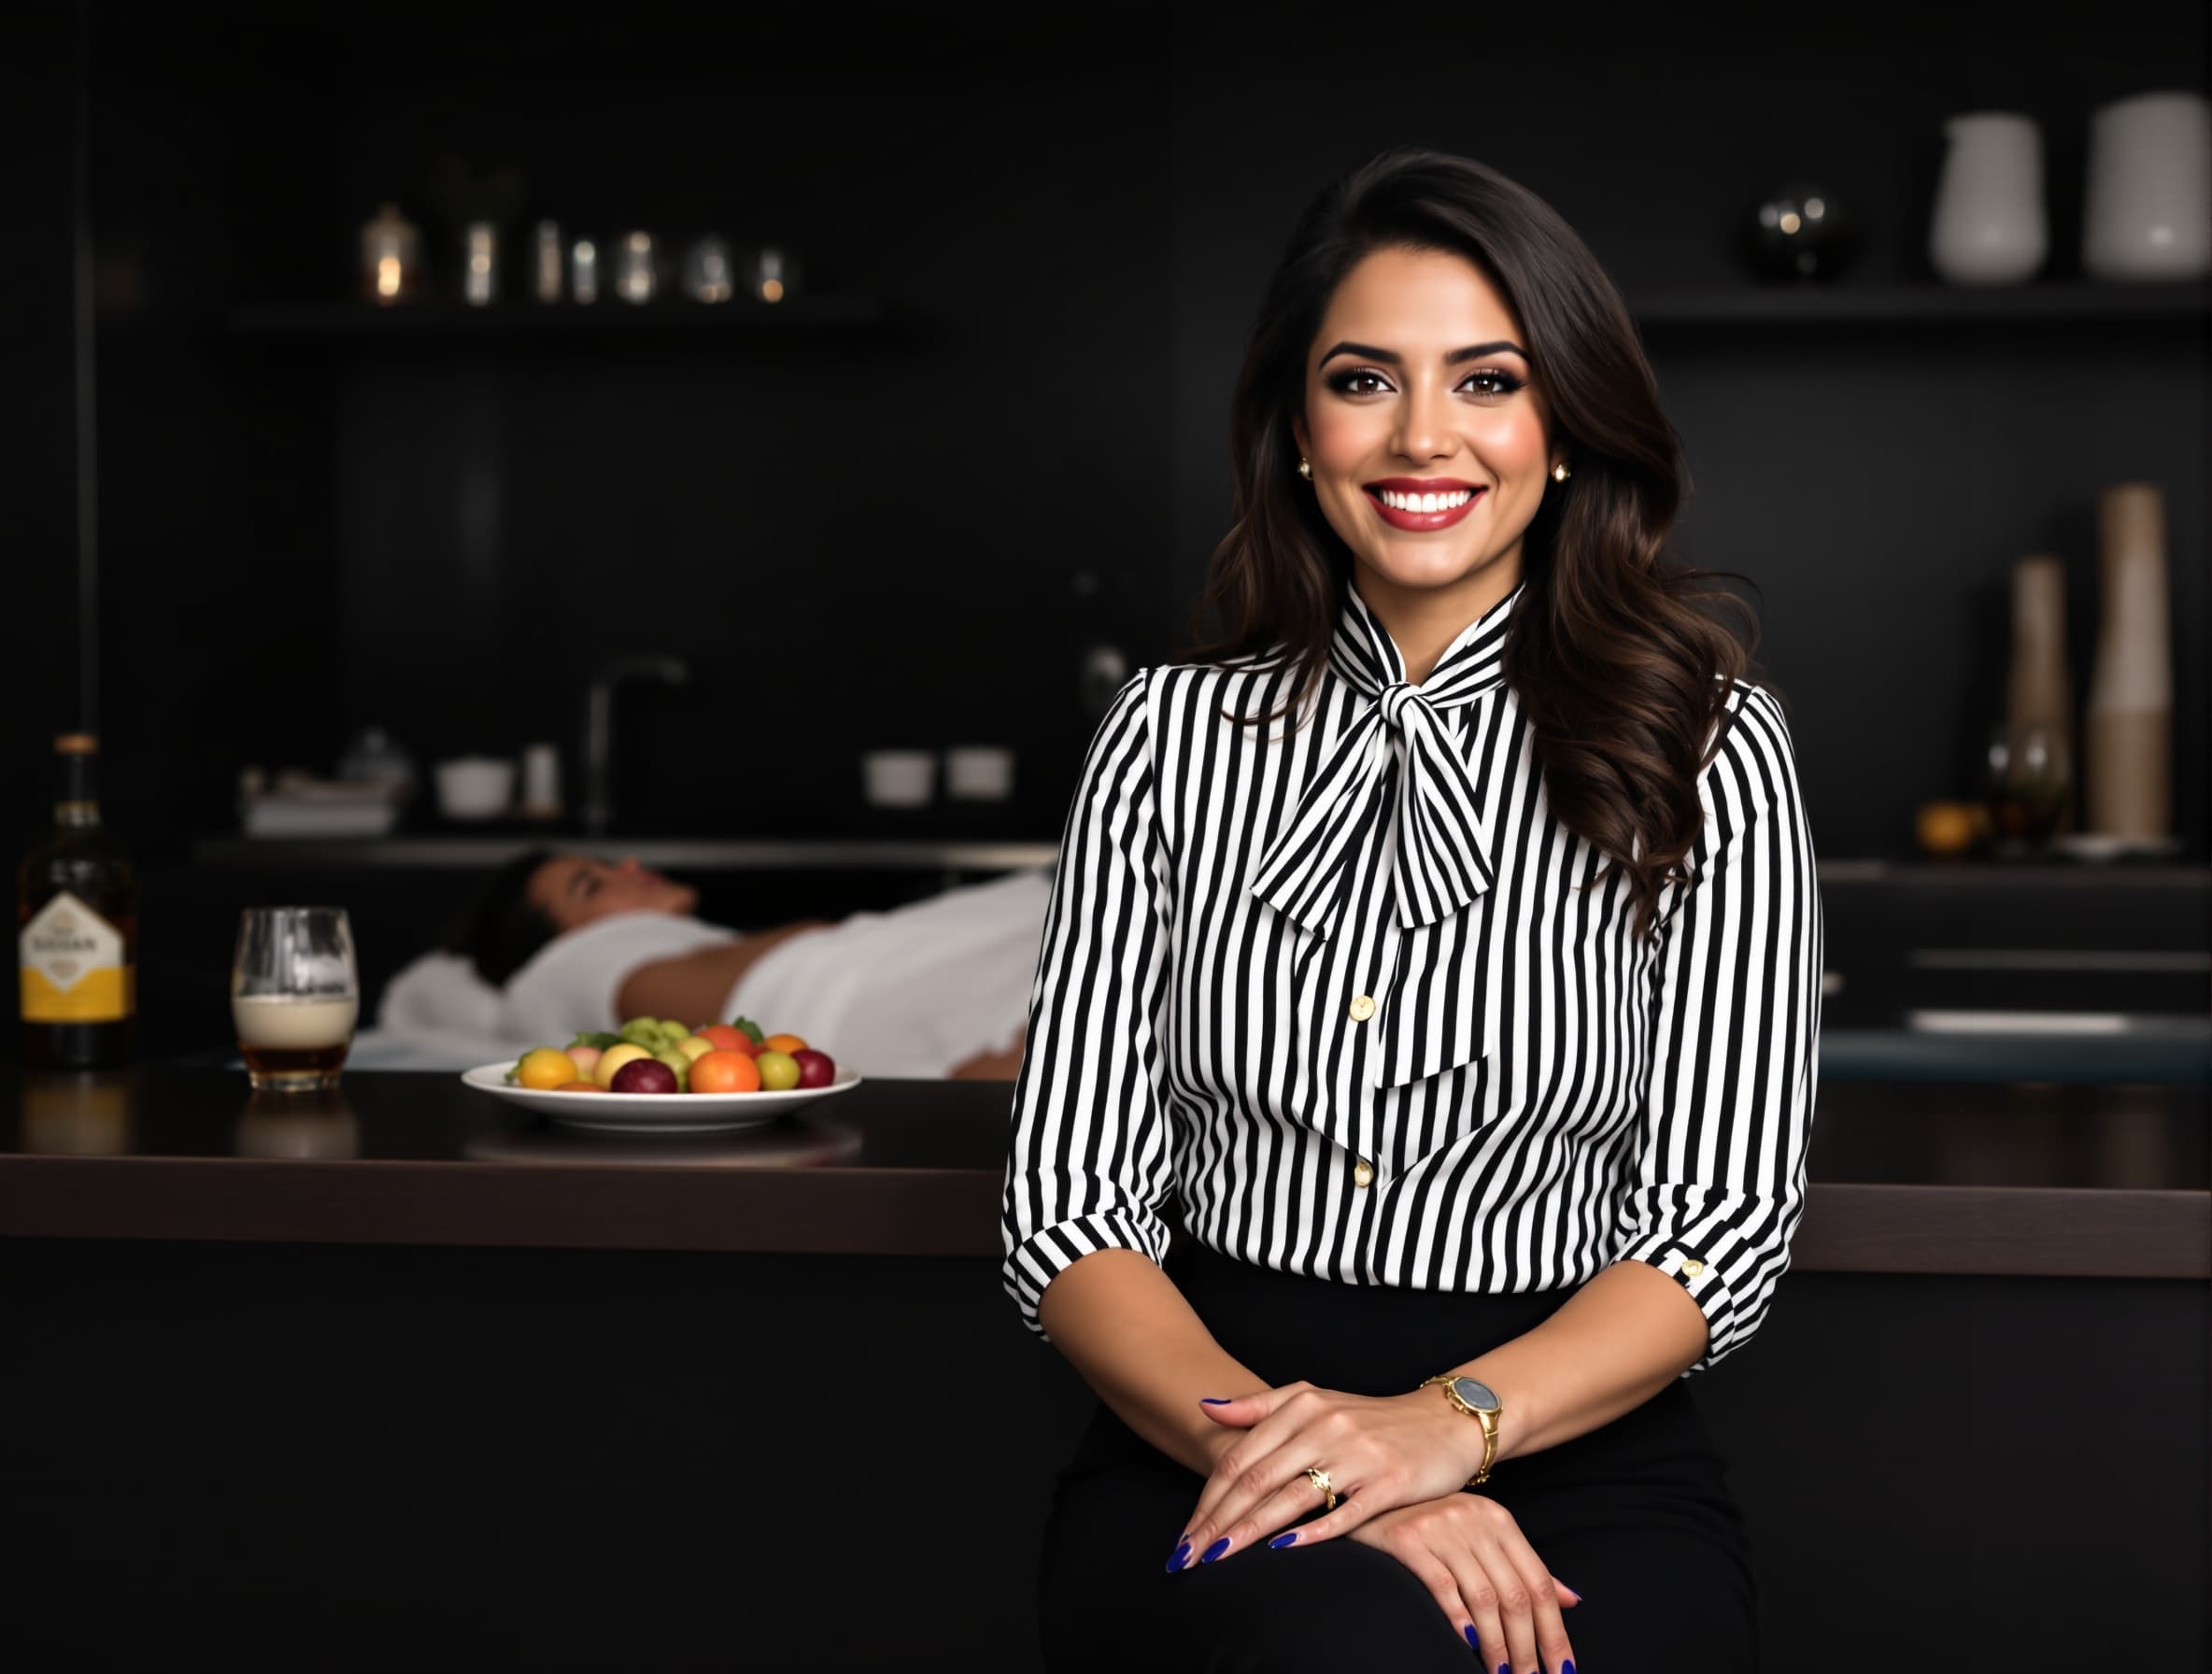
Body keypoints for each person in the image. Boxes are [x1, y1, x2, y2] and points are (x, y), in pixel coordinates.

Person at [1000, 146, 1822, 1674]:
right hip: (1208, 1427)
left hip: (1575, 1442)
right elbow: (1066, 1215)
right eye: (1364, 380)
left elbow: (1719, 1227)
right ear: (1296, 431)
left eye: (1486, 379)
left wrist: (1441, 1432)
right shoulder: (1167, 738)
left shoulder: (1706, 741)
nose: (1421, 435)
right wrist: (1329, 1466)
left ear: (1562, 424)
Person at [376, 850, 1035, 1080]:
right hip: (844, 998)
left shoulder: (668, 950)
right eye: (592, 885)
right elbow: (766, 1005)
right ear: (556, 940)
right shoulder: (568, 970)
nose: (627, 870)